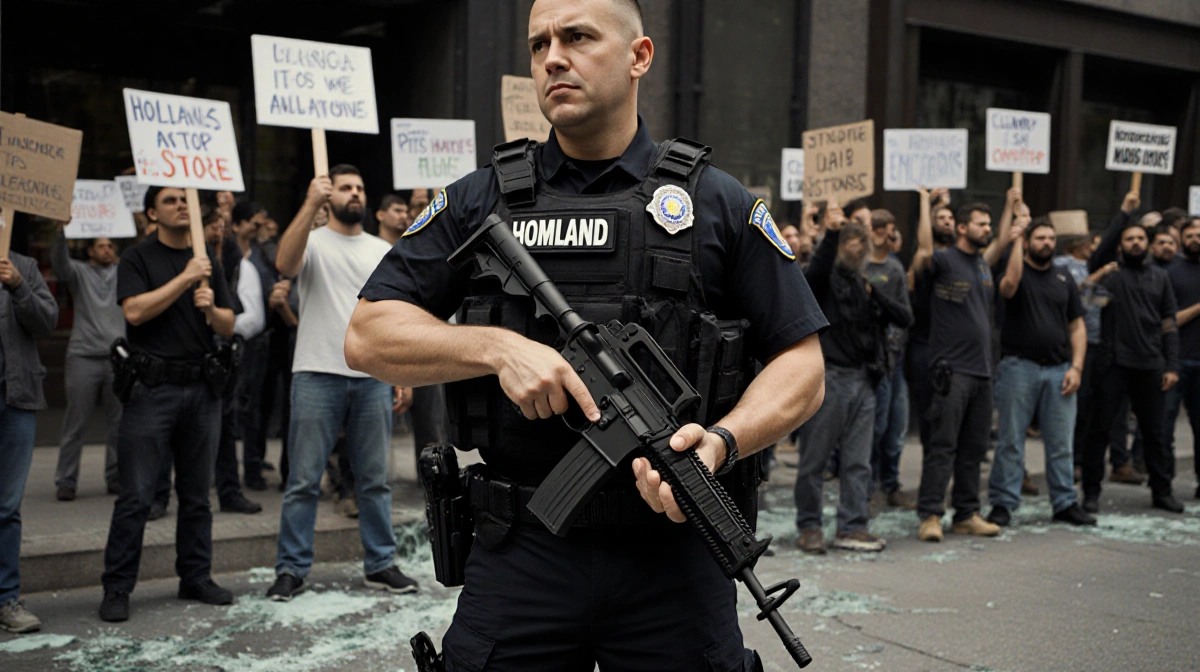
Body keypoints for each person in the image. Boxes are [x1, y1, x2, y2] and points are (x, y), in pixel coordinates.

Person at [346, 0, 828, 667]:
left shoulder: (715, 202)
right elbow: (368, 333)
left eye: (577, 37)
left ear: (639, 57)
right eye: (538, 42)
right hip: (522, 548)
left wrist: (721, 442)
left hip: (673, 552)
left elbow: (803, 364)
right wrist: (497, 348)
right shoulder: (480, 198)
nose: (552, 58)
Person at [267, 164, 418, 602]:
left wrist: (400, 372)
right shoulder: (311, 242)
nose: (355, 193)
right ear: (330, 196)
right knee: (303, 481)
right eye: (346, 187)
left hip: (371, 378)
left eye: (360, 187)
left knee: (374, 480)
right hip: (316, 373)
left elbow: (395, 315)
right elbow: (283, 263)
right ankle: (291, 569)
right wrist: (310, 202)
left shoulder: (380, 249)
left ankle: (381, 563)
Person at [99, 186, 237, 622]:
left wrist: (211, 307)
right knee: (137, 496)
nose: (182, 205)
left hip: (201, 388)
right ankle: (117, 587)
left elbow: (229, 325)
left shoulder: (207, 260)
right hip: (151, 391)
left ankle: (195, 576)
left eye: (186, 200)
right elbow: (134, 312)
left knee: (197, 495)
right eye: (171, 200)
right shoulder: (138, 259)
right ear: (151, 213)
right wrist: (183, 281)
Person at [795, 210, 910, 554]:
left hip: (865, 380)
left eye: (861, 241)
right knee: (814, 459)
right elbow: (815, 270)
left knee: (859, 461)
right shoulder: (823, 282)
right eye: (850, 241)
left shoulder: (866, 285)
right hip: (830, 378)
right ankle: (810, 525)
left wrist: (876, 295)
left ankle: (852, 525)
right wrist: (830, 235)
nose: (857, 247)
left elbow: (904, 317)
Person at [911, 191, 1008, 542]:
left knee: (974, 449)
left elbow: (1002, 241)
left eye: (990, 224)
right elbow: (923, 250)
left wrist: (1011, 205)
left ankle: (967, 513)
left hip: (983, 372)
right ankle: (931, 514)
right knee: (943, 446)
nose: (989, 229)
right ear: (963, 227)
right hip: (951, 371)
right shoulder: (944, 260)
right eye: (982, 224)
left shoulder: (983, 264)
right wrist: (925, 202)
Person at [986, 214, 1095, 526]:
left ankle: (1064, 502)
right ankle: (1003, 503)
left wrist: (1076, 367)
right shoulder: (1015, 275)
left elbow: (1077, 327)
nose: (1046, 243)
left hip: (1059, 369)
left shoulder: (1064, 278)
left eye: (1050, 238)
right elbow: (1008, 287)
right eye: (1039, 238)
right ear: (1028, 242)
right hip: (1018, 368)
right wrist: (1017, 239)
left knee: (1061, 442)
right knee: (1010, 440)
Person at [1080, 190, 1182, 514]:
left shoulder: (1160, 277)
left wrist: (1171, 364)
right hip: (1113, 364)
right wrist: (1124, 213)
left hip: (1151, 364)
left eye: (1140, 238)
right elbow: (1099, 256)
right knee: (1100, 430)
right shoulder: (1110, 274)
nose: (1136, 243)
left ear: (1148, 244)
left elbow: (1169, 322)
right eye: (1129, 239)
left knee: (1154, 432)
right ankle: (1092, 492)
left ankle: (1162, 490)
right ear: (1120, 245)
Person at [0, 245, 58, 633]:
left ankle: (6, 598)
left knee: (6, 507)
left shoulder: (22, 265)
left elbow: (48, 321)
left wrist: (19, 286)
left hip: (15, 399)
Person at [51, 228, 124, 501]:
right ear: (90, 251)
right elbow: (60, 262)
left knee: (119, 423)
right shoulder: (79, 273)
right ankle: (66, 480)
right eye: (101, 246)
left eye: (110, 245)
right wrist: (60, 231)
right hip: (84, 356)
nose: (107, 250)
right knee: (76, 421)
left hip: (117, 358)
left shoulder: (123, 272)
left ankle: (115, 476)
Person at [1055, 233, 1118, 479]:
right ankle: (1070, 458)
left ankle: (1081, 458)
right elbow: (1072, 291)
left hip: (1097, 337)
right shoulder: (1063, 265)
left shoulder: (1091, 265)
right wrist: (1098, 275)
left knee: (1093, 404)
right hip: (1073, 338)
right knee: (1076, 404)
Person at [867, 208, 913, 508]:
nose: (887, 233)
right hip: (870, 364)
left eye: (890, 227)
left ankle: (891, 483)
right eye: (880, 227)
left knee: (897, 427)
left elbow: (904, 314)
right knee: (875, 428)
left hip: (894, 361)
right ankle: (868, 490)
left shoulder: (894, 269)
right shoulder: (857, 266)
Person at [229, 200, 275, 492]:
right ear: (237, 225)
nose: (258, 229)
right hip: (229, 343)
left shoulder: (264, 257)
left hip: (258, 344)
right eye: (253, 224)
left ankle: (253, 467)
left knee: (254, 409)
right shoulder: (225, 257)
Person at [1163, 216, 1200, 500]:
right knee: (1164, 428)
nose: (1195, 239)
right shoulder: (1170, 273)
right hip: (1176, 361)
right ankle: (1163, 487)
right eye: (1190, 235)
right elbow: (1168, 320)